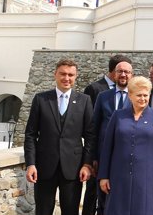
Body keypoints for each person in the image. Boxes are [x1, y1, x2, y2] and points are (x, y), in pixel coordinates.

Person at [24, 59, 94, 215]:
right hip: (44, 167)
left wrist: (87, 164)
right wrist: (30, 164)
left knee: (71, 211)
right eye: (62, 74)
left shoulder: (84, 101)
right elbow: (30, 134)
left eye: (71, 75)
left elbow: (90, 136)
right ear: (55, 74)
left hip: (73, 168)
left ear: (75, 77)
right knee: (43, 211)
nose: (66, 78)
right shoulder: (41, 99)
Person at [98, 76, 153, 215]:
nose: (142, 99)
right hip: (119, 175)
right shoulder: (118, 115)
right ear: (130, 95)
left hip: (148, 178)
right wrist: (103, 176)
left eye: (145, 95)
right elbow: (107, 147)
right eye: (139, 95)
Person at [82, 54, 130, 215]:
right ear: (114, 74)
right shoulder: (103, 97)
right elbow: (93, 130)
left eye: (127, 72)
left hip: (128, 157)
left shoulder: (139, 97)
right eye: (120, 71)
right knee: (103, 197)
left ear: (132, 75)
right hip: (104, 157)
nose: (123, 75)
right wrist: (92, 158)